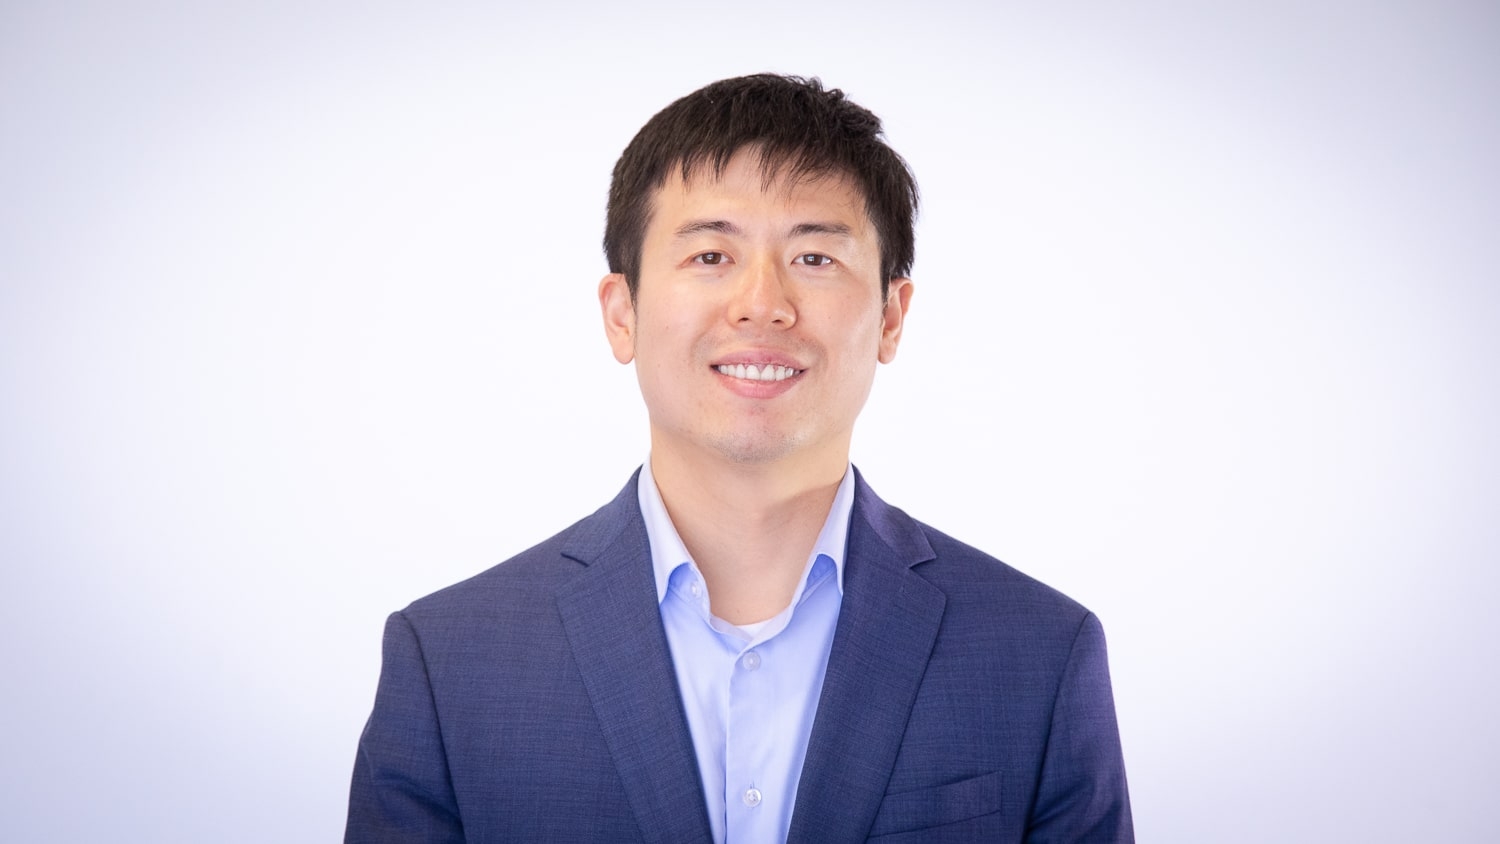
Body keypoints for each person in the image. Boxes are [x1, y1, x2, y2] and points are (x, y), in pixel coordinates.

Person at [345, 73, 1133, 843]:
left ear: (892, 317)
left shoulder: (1038, 655)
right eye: (711, 257)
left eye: (815, 258)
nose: (763, 303)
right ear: (623, 315)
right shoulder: (451, 662)